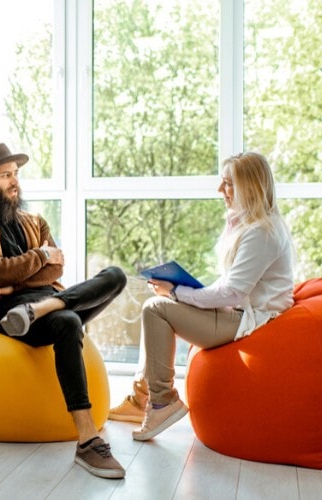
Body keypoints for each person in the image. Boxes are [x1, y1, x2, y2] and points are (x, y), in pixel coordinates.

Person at [0, 143, 128, 479]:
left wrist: (20, 278)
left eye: (15, 174)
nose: (14, 181)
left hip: (48, 300)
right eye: (5, 175)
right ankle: (88, 439)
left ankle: (49, 306)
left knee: (116, 276)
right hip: (12, 316)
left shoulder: (35, 220)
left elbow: (55, 273)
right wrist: (38, 261)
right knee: (67, 321)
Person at [109, 151, 295, 442]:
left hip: (252, 323)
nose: (220, 190)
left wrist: (177, 291)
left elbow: (233, 292)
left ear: (250, 187)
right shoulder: (246, 224)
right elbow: (232, 284)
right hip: (240, 313)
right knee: (159, 303)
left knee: (156, 308)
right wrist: (181, 292)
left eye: (227, 184)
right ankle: (142, 398)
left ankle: (162, 402)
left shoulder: (262, 233)